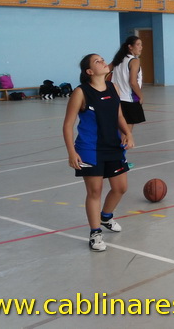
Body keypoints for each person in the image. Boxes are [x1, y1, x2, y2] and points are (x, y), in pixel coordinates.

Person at [62, 54, 134, 252]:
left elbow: (119, 115)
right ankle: (95, 233)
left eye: (102, 59)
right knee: (95, 191)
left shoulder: (113, 88)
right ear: (89, 71)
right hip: (89, 148)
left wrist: (128, 133)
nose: (103, 62)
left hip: (113, 145)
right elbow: (68, 125)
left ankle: (106, 216)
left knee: (121, 187)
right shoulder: (81, 92)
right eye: (97, 61)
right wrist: (71, 152)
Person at [110, 36, 145, 168]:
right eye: (138, 44)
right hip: (129, 100)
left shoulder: (118, 60)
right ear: (130, 47)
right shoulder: (134, 61)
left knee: (119, 133)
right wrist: (140, 96)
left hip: (116, 99)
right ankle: (120, 161)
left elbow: (105, 70)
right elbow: (133, 82)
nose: (141, 47)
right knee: (126, 134)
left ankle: (117, 159)